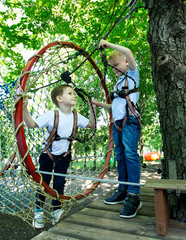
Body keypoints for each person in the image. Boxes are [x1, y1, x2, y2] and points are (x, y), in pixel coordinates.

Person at [23, 84, 96, 228]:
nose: (74, 95)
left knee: (59, 183)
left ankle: (56, 210)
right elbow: (31, 124)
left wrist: (92, 107)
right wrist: (25, 108)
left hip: (64, 155)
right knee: (43, 183)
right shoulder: (52, 115)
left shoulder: (76, 116)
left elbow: (92, 125)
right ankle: (38, 211)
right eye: (70, 93)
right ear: (60, 98)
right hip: (47, 155)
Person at [92, 40, 142, 219]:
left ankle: (134, 194)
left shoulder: (132, 75)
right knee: (119, 156)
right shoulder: (118, 84)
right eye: (112, 66)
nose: (114, 68)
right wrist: (100, 104)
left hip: (130, 123)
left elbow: (128, 50)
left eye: (116, 64)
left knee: (130, 154)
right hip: (118, 124)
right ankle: (123, 189)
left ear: (126, 63)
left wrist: (109, 45)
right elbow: (116, 106)